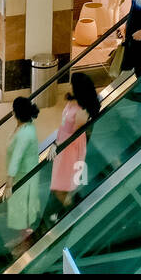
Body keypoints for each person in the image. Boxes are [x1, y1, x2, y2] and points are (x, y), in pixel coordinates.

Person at [48, 73, 100, 215]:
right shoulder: (73, 101)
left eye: (72, 84)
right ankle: (65, 211)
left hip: (70, 150)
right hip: (63, 146)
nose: (70, 86)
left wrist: (58, 144)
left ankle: (71, 214)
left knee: (61, 187)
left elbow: (76, 136)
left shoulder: (82, 111)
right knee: (58, 184)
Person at [5, 96, 42, 253]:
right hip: (23, 175)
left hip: (25, 178)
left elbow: (17, 157)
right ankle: (23, 239)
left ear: (15, 112)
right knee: (21, 211)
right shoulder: (25, 127)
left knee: (24, 212)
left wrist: (9, 183)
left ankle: (26, 245)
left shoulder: (24, 133)